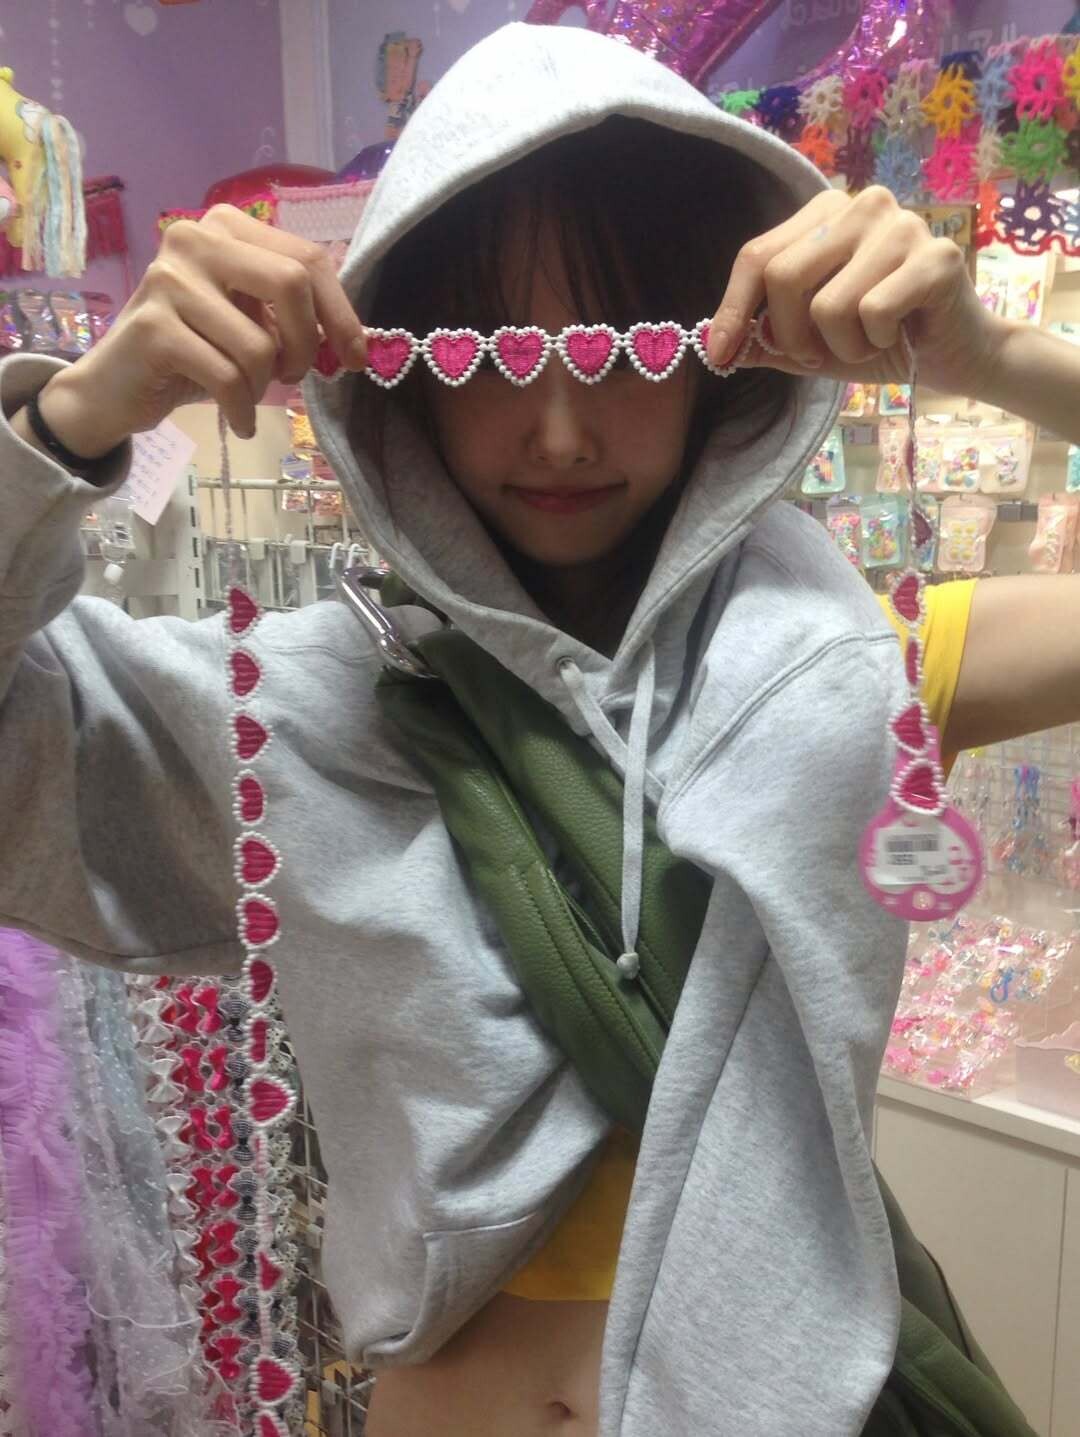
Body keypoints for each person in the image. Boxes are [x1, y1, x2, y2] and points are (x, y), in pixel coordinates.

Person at [1, 21, 1078, 1437]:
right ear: (395, 371)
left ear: (721, 360)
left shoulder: (841, 671)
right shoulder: (287, 709)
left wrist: (998, 358)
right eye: (494, 356)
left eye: (621, 351)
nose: (560, 432)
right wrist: (74, 421)